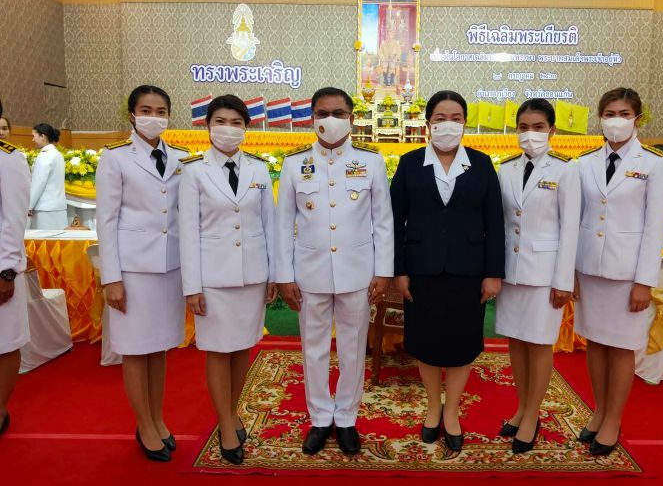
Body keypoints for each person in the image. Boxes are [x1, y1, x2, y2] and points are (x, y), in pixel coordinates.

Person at [275, 87, 393, 456]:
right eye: (322, 113)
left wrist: (384, 271)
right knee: (313, 350)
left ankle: (346, 418)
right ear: (311, 119)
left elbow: (383, 221)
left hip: (357, 273)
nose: (330, 120)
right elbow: (283, 225)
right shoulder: (294, 164)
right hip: (309, 274)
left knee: (353, 349)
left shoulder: (371, 161)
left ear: (352, 119)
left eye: (338, 113)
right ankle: (320, 418)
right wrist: (284, 275)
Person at [391, 90, 505, 452]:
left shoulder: (481, 164)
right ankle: (432, 409)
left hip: (467, 270)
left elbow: (495, 222)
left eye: (456, 118)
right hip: (421, 269)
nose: (448, 125)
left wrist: (493, 272)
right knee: (425, 342)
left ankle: (452, 411)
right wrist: (398, 270)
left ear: (465, 123)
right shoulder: (410, 163)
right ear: (428, 123)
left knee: (461, 343)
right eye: (440, 118)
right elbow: (393, 221)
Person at [179, 95, 277, 465]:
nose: (228, 129)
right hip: (213, 278)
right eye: (220, 121)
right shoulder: (193, 171)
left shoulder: (259, 169)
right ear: (207, 126)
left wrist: (273, 274)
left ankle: (232, 411)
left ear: (246, 128)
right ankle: (225, 423)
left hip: (252, 275)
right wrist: (192, 286)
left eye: (236, 122)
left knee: (242, 348)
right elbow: (188, 232)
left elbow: (268, 225)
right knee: (219, 350)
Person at [96, 85, 190, 462]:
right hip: (132, 270)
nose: (154, 117)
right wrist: (111, 278)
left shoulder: (181, 157)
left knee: (159, 346)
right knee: (135, 349)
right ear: (132, 115)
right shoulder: (115, 157)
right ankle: (144, 425)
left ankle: (158, 418)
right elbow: (106, 220)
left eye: (161, 111)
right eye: (146, 110)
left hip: (170, 267)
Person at [574, 87, 663, 456]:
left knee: (621, 347)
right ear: (600, 118)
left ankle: (613, 419)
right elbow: (577, 220)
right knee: (595, 343)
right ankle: (599, 411)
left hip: (628, 274)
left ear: (637, 119)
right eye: (610, 113)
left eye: (624, 114)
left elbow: (654, 227)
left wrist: (644, 281)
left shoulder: (653, 164)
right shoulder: (585, 162)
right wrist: (571, 272)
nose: (616, 120)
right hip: (590, 269)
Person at [494, 99, 581, 453]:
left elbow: (570, 228)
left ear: (552, 130)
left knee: (539, 343)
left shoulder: (565, 170)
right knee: (516, 342)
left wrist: (564, 280)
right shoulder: (506, 168)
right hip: (511, 270)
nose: (530, 133)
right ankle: (521, 408)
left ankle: (532, 415)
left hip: (545, 273)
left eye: (538, 127)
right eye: (524, 127)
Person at [0, 137, 31, 436]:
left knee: (4, 343)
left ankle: (0, 410)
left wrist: (7, 271)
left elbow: (14, 219)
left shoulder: (8, 159)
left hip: (0, 269)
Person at [28, 123, 67, 229]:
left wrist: (29, 205)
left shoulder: (44, 155)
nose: (32, 139)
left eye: (34, 136)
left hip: (45, 209)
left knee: (45, 239)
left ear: (42, 136)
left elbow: (38, 183)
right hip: (59, 208)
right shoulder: (58, 154)